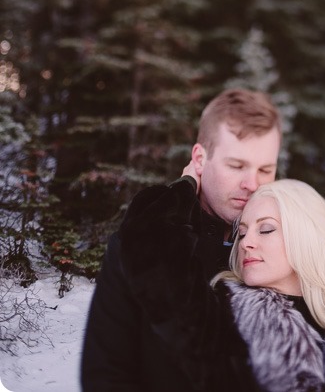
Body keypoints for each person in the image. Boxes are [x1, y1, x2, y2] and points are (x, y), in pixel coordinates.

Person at [80, 88, 282, 391]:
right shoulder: (143, 242)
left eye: (266, 169)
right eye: (236, 166)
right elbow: (106, 375)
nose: (252, 184)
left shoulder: (289, 244)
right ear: (200, 159)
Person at [120, 177, 325, 392]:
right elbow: (147, 246)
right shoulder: (217, 314)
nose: (247, 243)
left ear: (308, 237)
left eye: (266, 229)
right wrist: (187, 184)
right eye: (241, 233)